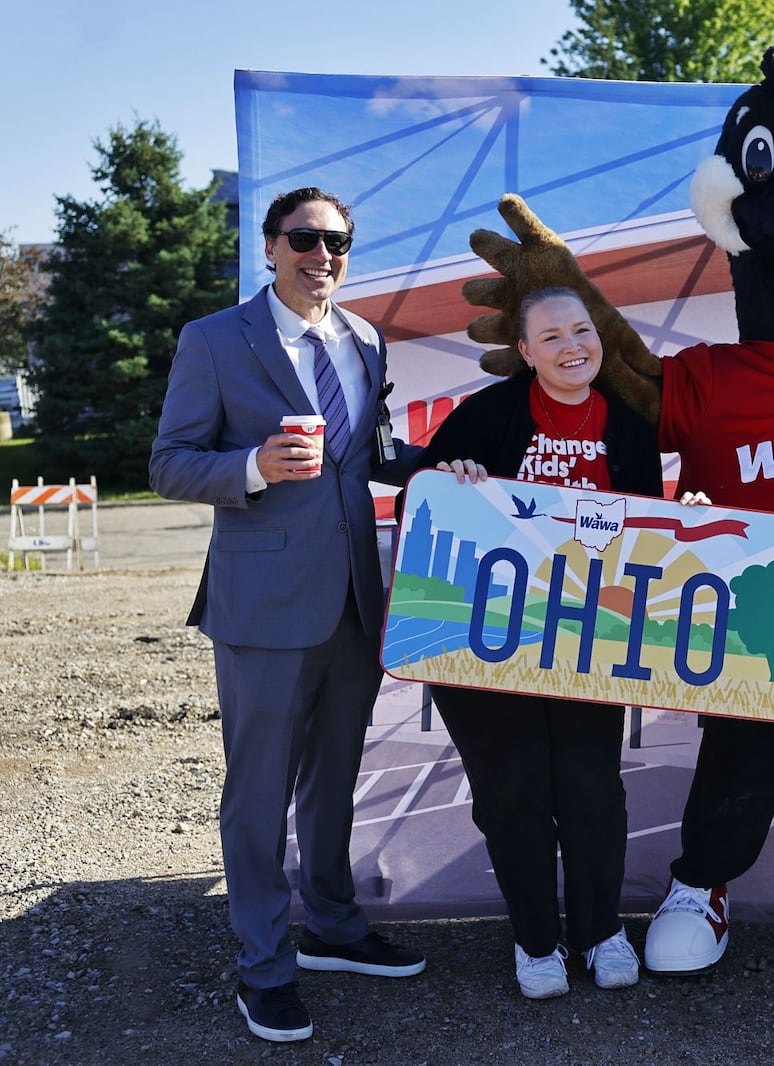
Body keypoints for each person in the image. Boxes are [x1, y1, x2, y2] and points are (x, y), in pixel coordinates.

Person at [149, 187, 485, 1044]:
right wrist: (254, 466)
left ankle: (333, 927)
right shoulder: (215, 340)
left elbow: (367, 450)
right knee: (257, 794)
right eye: (304, 238)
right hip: (262, 605)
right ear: (270, 246)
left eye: (338, 242)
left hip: (353, 599)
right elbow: (170, 464)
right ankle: (264, 966)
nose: (322, 254)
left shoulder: (363, 338)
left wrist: (442, 469)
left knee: (334, 779)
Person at [414, 286, 682, 1000]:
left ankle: (600, 933)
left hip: (586, 643)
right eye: (553, 337)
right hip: (488, 643)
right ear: (525, 352)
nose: (573, 347)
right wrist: (452, 476)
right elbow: (425, 500)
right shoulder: (486, 415)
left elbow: (643, 536)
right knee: (513, 792)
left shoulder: (626, 427)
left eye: (582, 331)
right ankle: (537, 941)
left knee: (592, 792)